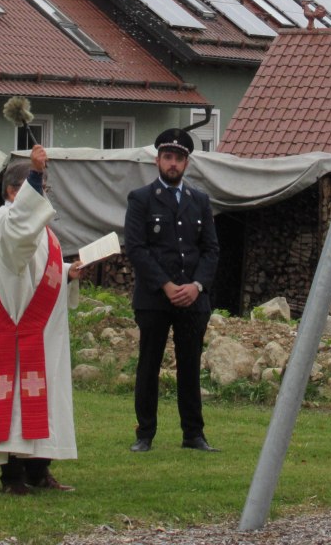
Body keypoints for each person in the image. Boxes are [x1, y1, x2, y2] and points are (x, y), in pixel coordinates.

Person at [0, 144, 85, 494]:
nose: (43, 196)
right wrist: (34, 171)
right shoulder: (5, 221)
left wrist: (68, 273)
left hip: (41, 332)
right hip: (15, 331)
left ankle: (38, 470)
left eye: (43, 189)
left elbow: (37, 271)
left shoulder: (40, 230)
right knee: (13, 404)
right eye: (38, 189)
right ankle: (12, 476)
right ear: (15, 191)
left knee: (43, 401)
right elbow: (18, 243)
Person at [123, 127, 220, 453]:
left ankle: (193, 433)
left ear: (187, 163)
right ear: (157, 161)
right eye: (168, 157)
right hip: (154, 297)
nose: (173, 163)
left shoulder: (200, 201)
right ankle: (145, 433)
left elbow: (211, 250)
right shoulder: (141, 199)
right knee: (149, 364)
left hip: (193, 299)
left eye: (179, 158)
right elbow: (136, 248)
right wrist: (166, 285)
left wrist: (196, 285)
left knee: (190, 366)